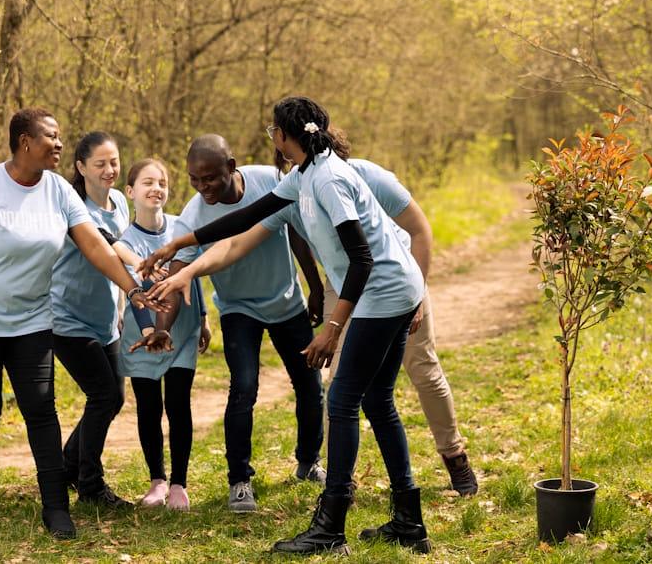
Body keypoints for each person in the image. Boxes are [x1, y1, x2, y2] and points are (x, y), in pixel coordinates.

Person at [142, 97, 432, 555]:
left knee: (341, 400)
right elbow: (248, 217)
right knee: (376, 399)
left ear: (284, 135)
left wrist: (333, 327)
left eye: (271, 130)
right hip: (392, 289)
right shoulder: (305, 173)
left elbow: (362, 258)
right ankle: (408, 520)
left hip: (386, 293)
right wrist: (180, 242)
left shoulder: (330, 179)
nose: (270, 136)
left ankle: (331, 527)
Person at [0, 108, 151, 539]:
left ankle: (56, 508)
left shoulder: (57, 190)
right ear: (24, 142)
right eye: (51, 137)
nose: (59, 144)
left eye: (59, 137)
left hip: (33, 321)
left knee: (41, 411)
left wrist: (132, 289)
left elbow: (94, 244)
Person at [271, 146, 479, 496]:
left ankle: (454, 453)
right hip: (345, 286)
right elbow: (290, 233)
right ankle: (342, 480)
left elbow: (420, 229)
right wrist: (317, 289)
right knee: (339, 382)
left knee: (421, 366)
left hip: (396, 280)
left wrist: (419, 295)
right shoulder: (296, 185)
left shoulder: (369, 176)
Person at [158, 134, 326, 513]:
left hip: (286, 301)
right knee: (244, 388)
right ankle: (239, 480)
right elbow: (180, 269)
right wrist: (162, 320)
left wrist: (314, 287)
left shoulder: (269, 180)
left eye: (210, 178)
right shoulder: (193, 215)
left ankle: (309, 461)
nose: (202, 188)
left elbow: (296, 231)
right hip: (238, 309)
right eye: (194, 180)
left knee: (309, 384)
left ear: (231, 167)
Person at [111, 158, 207, 512]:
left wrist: (203, 316)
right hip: (141, 334)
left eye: (163, 183)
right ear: (130, 191)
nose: (157, 189)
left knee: (179, 404)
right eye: (148, 182)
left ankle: (180, 485)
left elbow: (193, 277)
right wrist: (150, 330)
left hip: (181, 331)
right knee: (149, 408)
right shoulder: (124, 241)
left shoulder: (182, 228)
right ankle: (157, 480)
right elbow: (132, 294)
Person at [50, 131, 131, 509]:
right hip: (66, 318)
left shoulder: (118, 202)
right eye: (100, 164)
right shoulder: (73, 207)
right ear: (81, 167)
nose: (109, 170)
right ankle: (91, 485)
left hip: (104, 321)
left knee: (113, 398)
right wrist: (138, 273)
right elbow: (108, 249)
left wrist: (120, 312)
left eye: (113, 162)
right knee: (105, 394)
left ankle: (69, 464)